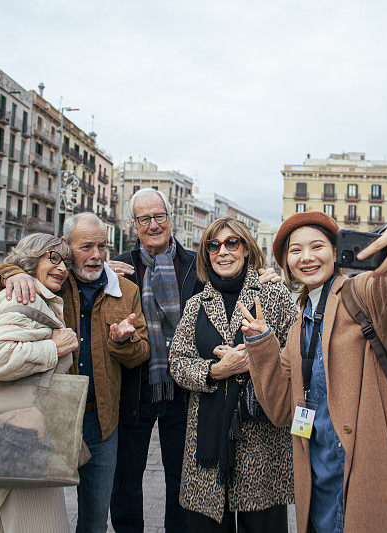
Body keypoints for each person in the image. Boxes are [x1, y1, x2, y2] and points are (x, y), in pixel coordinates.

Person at [239, 211, 387, 533]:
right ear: (285, 263)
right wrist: (261, 343)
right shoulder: (298, 325)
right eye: (295, 250)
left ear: (335, 252)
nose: (307, 257)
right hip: (319, 483)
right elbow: (279, 409)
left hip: (370, 477)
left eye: (317, 246)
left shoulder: (365, 295)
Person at [107, 188, 282, 533]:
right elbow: (59, 265)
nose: (154, 224)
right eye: (145, 218)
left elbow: (231, 280)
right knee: (125, 479)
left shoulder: (196, 265)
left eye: (159, 216)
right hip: (135, 388)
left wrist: (263, 279)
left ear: (171, 219)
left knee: (181, 482)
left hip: (185, 395)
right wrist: (14, 273)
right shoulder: (119, 269)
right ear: (134, 225)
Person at [0, 212, 150, 533]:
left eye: (102, 247)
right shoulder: (52, 277)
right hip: (42, 415)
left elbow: (141, 353)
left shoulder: (127, 290)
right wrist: (9, 273)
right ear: (65, 246)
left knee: (93, 519)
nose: (96, 255)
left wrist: (123, 342)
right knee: (33, 509)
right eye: (86, 246)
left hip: (100, 420)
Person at [168, 217, 296, 532]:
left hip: (261, 440)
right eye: (214, 245)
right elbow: (177, 362)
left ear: (246, 249)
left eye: (231, 243)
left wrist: (257, 358)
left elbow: (298, 357)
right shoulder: (196, 304)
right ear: (207, 254)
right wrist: (216, 371)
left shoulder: (273, 294)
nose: (223, 251)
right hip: (207, 445)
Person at [0, 233, 80, 532]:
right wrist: (53, 348)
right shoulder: (25, 297)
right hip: (22, 441)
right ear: (31, 261)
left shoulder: (30, 294)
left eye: (66, 262)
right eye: (53, 258)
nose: (62, 267)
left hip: (4, 433)